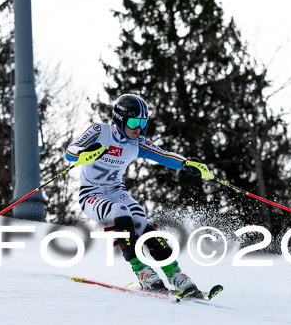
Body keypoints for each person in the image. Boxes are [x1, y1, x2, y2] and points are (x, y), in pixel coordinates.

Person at [65, 93, 211, 292]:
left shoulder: (137, 143)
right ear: (120, 119)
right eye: (133, 122)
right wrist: (82, 154)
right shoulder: (101, 131)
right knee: (121, 212)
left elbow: (164, 155)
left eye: (142, 122)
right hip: (91, 195)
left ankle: (174, 274)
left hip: (117, 191)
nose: (138, 128)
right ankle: (142, 270)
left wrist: (186, 164)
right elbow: (70, 151)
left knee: (143, 224)